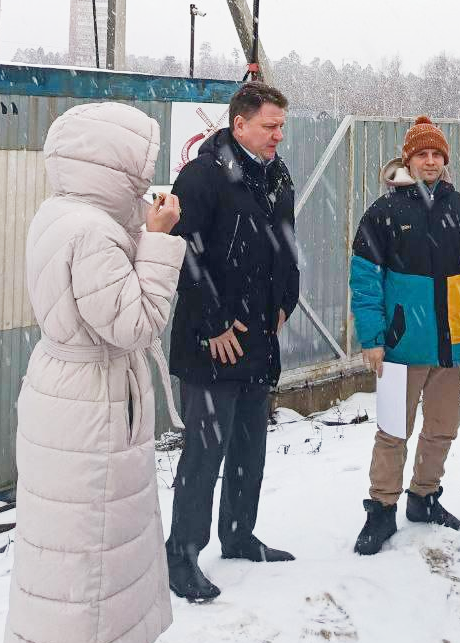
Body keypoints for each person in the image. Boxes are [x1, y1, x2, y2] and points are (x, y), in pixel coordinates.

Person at [4, 102, 186, 643]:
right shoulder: (92, 232)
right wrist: (158, 244)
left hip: (68, 397)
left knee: (67, 553)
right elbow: (135, 323)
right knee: (80, 555)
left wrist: (138, 229)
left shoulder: (61, 215)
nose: (145, 178)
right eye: (139, 165)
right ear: (110, 163)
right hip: (89, 404)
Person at [165, 81, 299, 602]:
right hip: (212, 342)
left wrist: (287, 296)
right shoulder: (202, 176)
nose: (277, 136)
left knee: (249, 445)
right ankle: (182, 554)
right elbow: (180, 251)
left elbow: (286, 240)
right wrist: (213, 323)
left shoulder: (275, 176)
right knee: (204, 452)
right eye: (269, 126)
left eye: (281, 127)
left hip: (260, 333)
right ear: (238, 124)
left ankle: (239, 534)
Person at [350, 116, 460, 555]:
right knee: (393, 431)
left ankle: (424, 496)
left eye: (436, 154)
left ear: (444, 161)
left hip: (453, 345)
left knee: (441, 428)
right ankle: (381, 510)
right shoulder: (384, 213)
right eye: (422, 154)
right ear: (408, 160)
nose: (430, 161)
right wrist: (373, 336)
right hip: (401, 345)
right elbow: (365, 279)